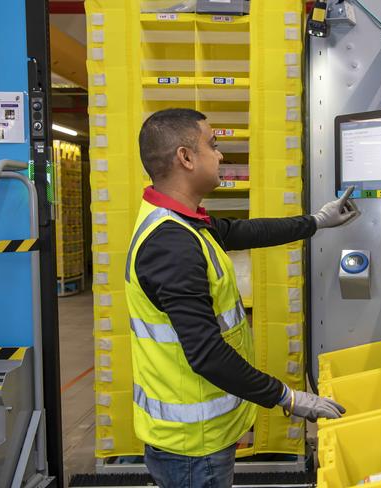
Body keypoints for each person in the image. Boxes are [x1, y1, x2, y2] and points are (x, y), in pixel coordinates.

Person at [124, 108, 358, 487]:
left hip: (198, 437)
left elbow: (242, 232)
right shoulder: (172, 245)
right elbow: (206, 354)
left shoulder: (179, 221)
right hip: (192, 446)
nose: (220, 156)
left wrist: (316, 221)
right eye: (213, 146)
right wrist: (287, 398)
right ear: (185, 157)